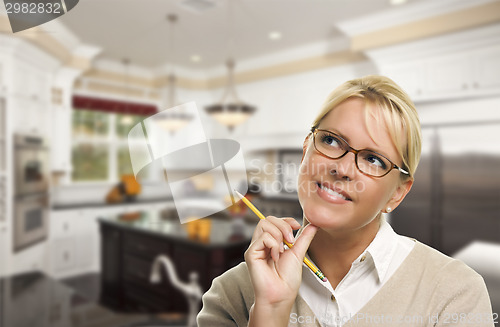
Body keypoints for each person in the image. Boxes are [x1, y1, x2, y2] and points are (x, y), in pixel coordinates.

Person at [197, 75, 494, 326]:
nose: (342, 168)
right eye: (331, 140)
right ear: (305, 152)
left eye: (373, 159)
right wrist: (271, 312)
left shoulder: (454, 294)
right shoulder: (231, 294)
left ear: (398, 193)